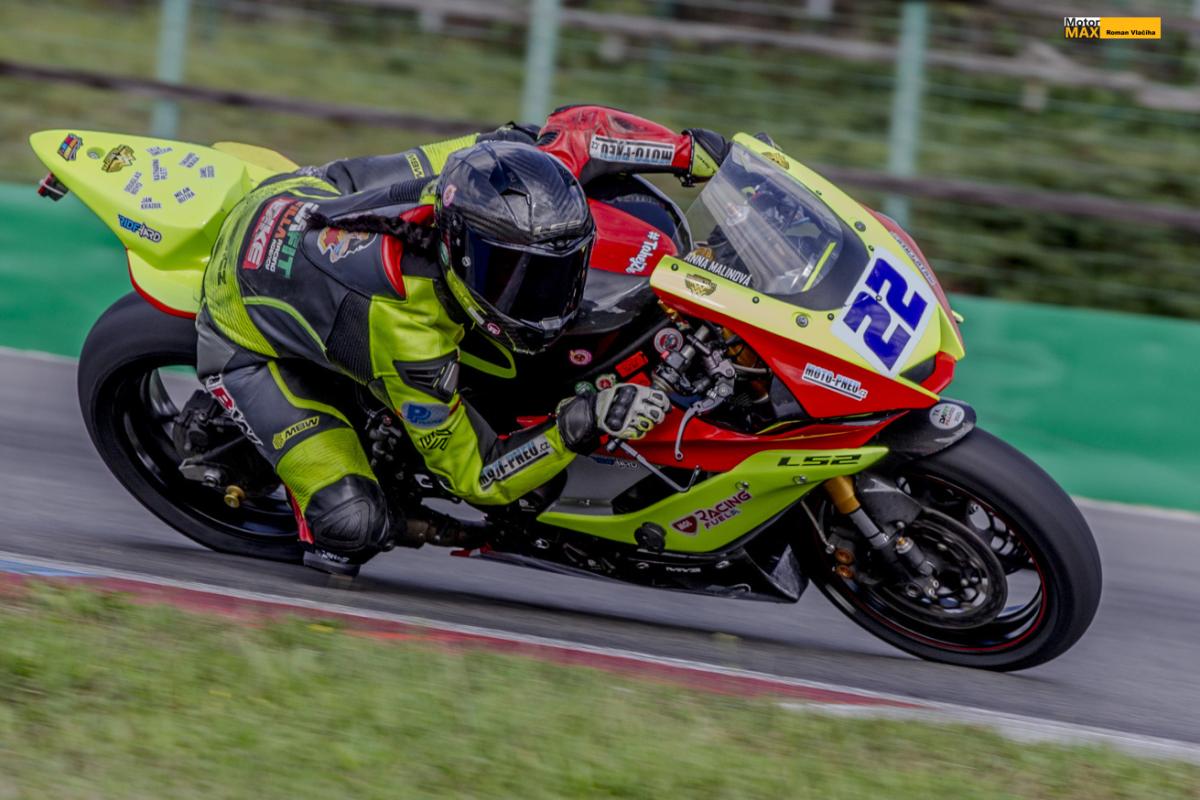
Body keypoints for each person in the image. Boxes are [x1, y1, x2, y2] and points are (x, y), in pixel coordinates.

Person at [197, 105, 731, 576]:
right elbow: (476, 474)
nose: (544, 296)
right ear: (462, 253)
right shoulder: (408, 331)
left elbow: (582, 128)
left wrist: (694, 153)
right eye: (512, 276)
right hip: (243, 332)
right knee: (352, 524)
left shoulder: (498, 169)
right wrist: (581, 421)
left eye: (553, 274)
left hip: (307, 194)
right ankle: (328, 487)